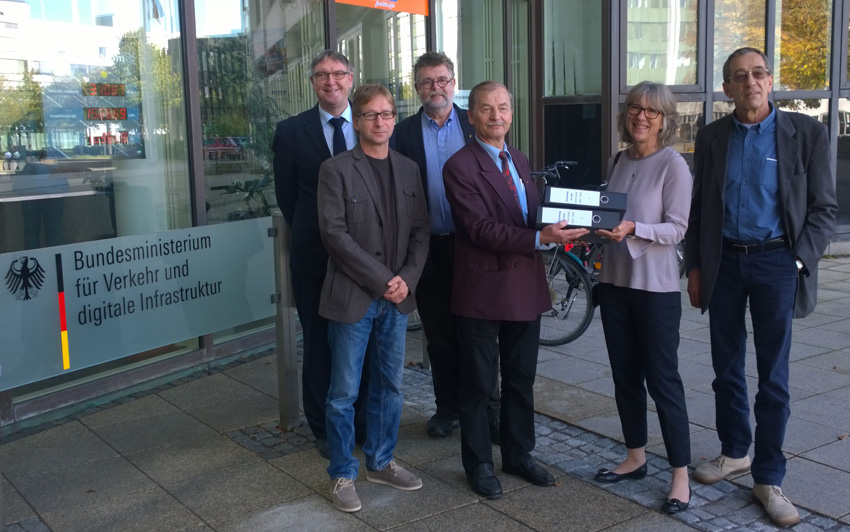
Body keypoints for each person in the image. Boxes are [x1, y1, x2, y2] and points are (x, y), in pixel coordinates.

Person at [685, 47, 837, 527]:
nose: (750, 82)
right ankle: (734, 451)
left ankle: (769, 475)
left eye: (758, 74)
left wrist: (796, 260)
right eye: (738, 77)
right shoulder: (711, 137)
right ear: (727, 89)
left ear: (770, 81)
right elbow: (699, 208)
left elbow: (824, 210)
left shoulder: (806, 133)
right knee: (725, 367)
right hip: (724, 263)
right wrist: (695, 267)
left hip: (777, 262)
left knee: (774, 377)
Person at [443, 81, 588, 499]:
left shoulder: (519, 159)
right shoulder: (460, 166)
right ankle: (479, 464)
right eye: (486, 108)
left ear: (511, 112)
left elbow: (530, 214)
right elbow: (480, 229)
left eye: (503, 107)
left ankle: (520, 454)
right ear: (470, 116)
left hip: (524, 286)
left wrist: (573, 222)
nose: (496, 116)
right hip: (483, 292)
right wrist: (543, 238)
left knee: (521, 380)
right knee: (478, 385)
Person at [317, 84, 430, 513]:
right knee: (343, 393)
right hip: (354, 297)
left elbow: (421, 231)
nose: (380, 122)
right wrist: (385, 279)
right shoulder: (336, 169)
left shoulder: (408, 168)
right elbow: (335, 236)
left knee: (391, 386)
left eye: (386, 114)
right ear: (357, 120)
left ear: (394, 120)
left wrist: (407, 279)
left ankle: (380, 461)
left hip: (397, 299)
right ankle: (343, 472)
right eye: (370, 115)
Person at [591, 81, 693, 514]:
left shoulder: (673, 164)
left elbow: (678, 228)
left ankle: (680, 476)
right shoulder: (619, 159)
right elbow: (610, 212)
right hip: (615, 284)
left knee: (663, 381)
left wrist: (635, 228)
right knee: (624, 377)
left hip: (656, 290)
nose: (641, 116)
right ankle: (635, 456)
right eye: (635, 108)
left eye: (651, 111)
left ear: (664, 119)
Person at [391, 51, 501, 443]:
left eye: (442, 80)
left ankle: (491, 409)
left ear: (453, 84)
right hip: (429, 248)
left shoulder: (477, 124)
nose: (435, 88)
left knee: (481, 332)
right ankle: (448, 407)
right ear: (417, 87)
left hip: (475, 245)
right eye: (426, 82)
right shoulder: (402, 134)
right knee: (439, 334)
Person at [272, 50, 368, 459]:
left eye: (339, 74)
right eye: (322, 75)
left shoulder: (371, 124)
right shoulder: (292, 131)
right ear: (313, 82)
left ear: (351, 79)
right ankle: (324, 427)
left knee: (361, 338)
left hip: (365, 255)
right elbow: (287, 196)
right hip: (313, 254)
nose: (331, 81)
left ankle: (360, 420)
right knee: (318, 340)